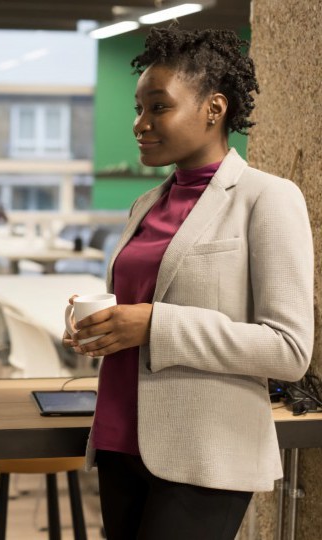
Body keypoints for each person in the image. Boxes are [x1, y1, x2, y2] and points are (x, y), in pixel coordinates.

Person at [63, 27, 313, 540]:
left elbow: (288, 349)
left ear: (214, 109)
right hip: (118, 439)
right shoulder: (146, 203)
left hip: (204, 452)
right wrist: (103, 326)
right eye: (139, 108)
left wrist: (155, 324)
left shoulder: (266, 198)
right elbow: (139, 312)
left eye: (158, 107)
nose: (140, 124)